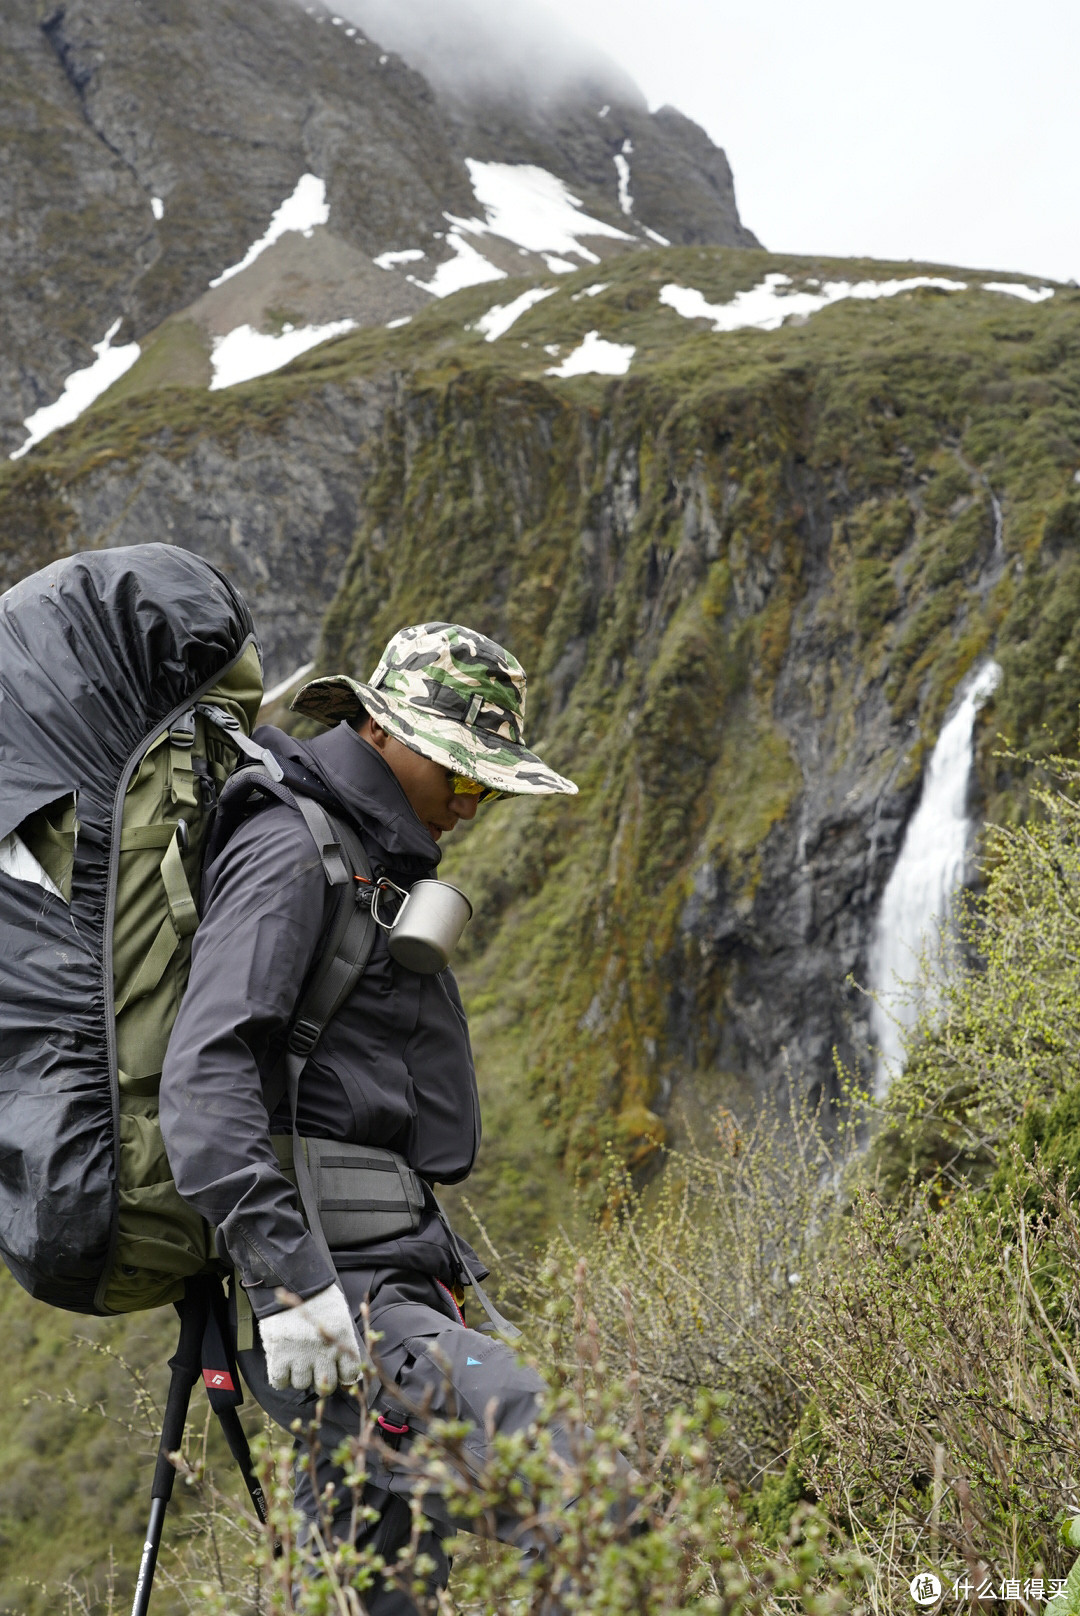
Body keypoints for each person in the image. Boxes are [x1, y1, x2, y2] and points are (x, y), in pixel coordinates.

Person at [159, 621, 578, 1612]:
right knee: (558, 1455)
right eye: (459, 773)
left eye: (487, 784)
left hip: (398, 1279)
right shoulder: (289, 847)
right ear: (382, 729)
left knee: (377, 1582)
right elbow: (204, 1080)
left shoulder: (371, 859)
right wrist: (291, 1286)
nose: (472, 803)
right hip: (337, 1290)